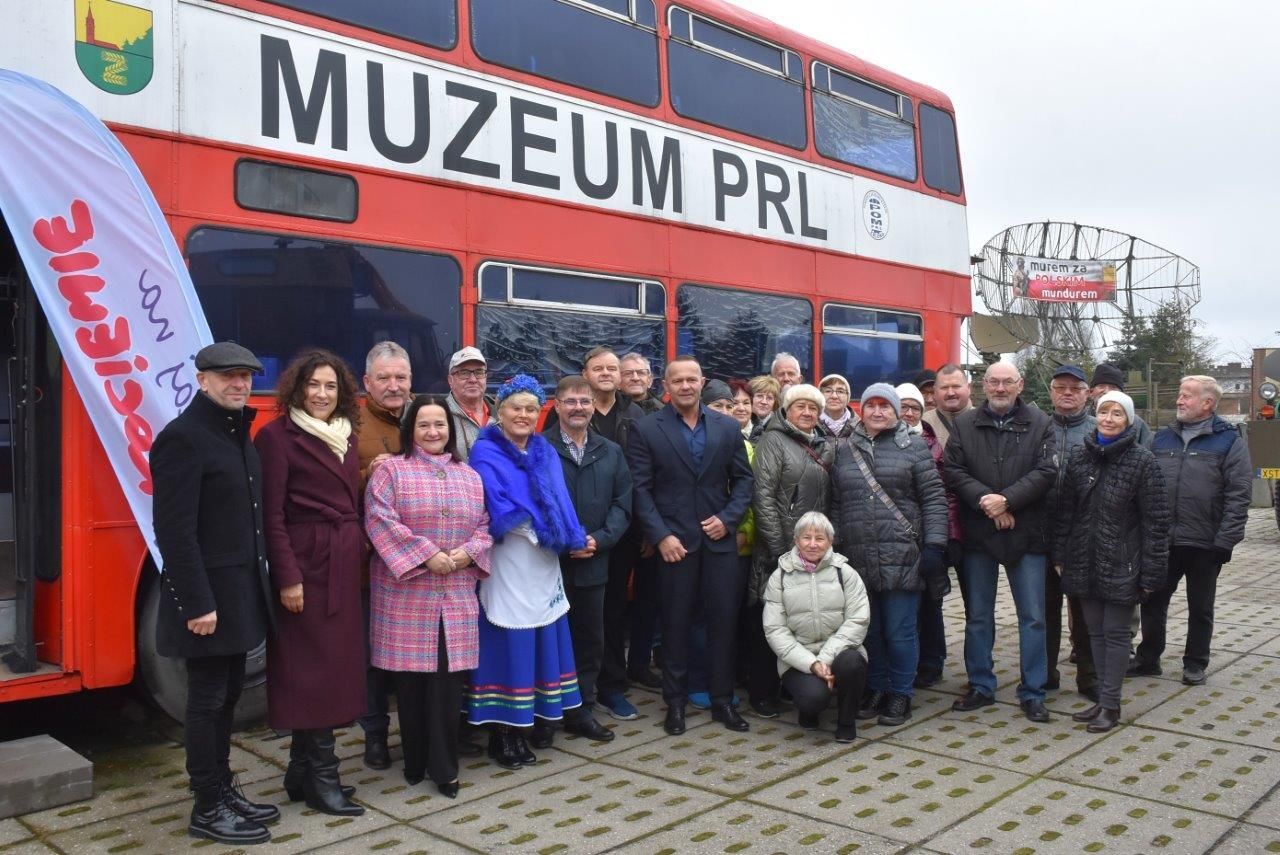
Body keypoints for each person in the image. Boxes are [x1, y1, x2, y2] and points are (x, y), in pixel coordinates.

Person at [152, 342, 278, 845]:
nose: (239, 384)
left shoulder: (235, 435)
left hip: (238, 593)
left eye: (246, 376)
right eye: (227, 376)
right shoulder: (183, 438)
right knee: (206, 701)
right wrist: (197, 602)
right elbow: (174, 531)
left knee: (226, 697)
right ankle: (206, 806)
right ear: (201, 380)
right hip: (208, 600)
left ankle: (223, 788)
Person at [364, 396, 493, 798]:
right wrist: (426, 556)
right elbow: (379, 519)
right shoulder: (391, 471)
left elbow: (486, 525)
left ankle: (445, 767)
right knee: (410, 685)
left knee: (448, 684)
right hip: (407, 594)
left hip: (455, 592)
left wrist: (468, 552)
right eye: (424, 425)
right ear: (410, 430)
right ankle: (414, 760)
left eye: (440, 425)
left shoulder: (469, 475)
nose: (433, 432)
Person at [255, 349, 366, 818]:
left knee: (333, 668)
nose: (321, 395)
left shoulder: (347, 436)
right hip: (306, 565)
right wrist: (288, 577)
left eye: (330, 386)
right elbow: (272, 516)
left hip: (340, 563)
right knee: (310, 671)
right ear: (297, 388)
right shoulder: (276, 438)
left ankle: (301, 772)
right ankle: (324, 777)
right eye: (313, 385)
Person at [465, 375, 587, 767]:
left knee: (541, 635)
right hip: (511, 557)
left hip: (544, 560)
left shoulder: (544, 450)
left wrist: (568, 534)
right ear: (500, 410)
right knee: (509, 641)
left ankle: (535, 720)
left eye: (531, 409)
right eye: (515, 407)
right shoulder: (485, 451)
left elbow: (560, 499)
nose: (523, 415)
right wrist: (536, 530)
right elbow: (493, 502)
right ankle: (504, 733)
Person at [629, 356, 755, 736]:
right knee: (675, 627)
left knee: (722, 624)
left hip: (719, 544)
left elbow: (744, 481)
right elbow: (640, 489)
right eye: (677, 380)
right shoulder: (647, 428)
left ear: (703, 383)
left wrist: (729, 519)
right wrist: (661, 536)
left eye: (691, 380)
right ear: (665, 386)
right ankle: (676, 703)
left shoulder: (727, 427)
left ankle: (722, 702)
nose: (685, 386)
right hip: (674, 545)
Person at [946, 362, 1057, 722]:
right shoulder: (964, 424)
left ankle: (1033, 691)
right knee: (978, 616)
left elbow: (1046, 471)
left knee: (1033, 618)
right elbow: (953, 470)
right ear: (983, 385)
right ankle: (980, 685)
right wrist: (988, 502)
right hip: (980, 533)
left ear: (1020, 384)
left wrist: (1008, 500)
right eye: (993, 381)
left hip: (1027, 532)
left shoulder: (1042, 424)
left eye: (1007, 382)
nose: (1000, 387)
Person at [832, 384, 947, 727]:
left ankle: (901, 693)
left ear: (897, 412)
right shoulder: (843, 450)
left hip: (902, 554)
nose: (878, 411)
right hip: (858, 554)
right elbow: (836, 504)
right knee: (870, 630)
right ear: (862, 410)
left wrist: (935, 546)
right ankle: (877, 687)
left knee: (900, 630)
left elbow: (934, 500)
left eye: (886, 406)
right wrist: (837, 551)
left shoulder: (913, 447)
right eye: (872, 405)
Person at [1054, 392, 1170, 732]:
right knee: (1095, 634)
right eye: (1104, 411)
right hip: (1083, 561)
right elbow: (1065, 512)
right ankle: (1102, 701)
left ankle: (1111, 704)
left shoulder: (1142, 462)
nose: (1109, 418)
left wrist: (1151, 571)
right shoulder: (1080, 457)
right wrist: (1061, 555)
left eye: (1117, 413)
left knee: (1117, 635)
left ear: (1128, 421)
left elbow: (1157, 521)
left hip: (1123, 563)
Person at [543, 347, 648, 719]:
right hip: (551, 559)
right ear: (556, 406)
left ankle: (589, 704)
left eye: (583, 402)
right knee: (553, 636)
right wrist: (564, 540)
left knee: (598, 631)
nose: (578, 407)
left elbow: (625, 500)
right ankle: (550, 708)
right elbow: (537, 502)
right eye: (570, 401)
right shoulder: (541, 448)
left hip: (602, 552)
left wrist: (599, 539)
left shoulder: (614, 447)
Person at [1132, 375, 1253, 685]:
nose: (1179, 400)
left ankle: (1195, 662)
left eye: (1186, 396)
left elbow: (1239, 495)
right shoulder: (1161, 439)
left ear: (1207, 403)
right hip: (1163, 541)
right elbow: (1144, 485)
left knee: (1201, 606)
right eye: (1180, 395)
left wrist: (1226, 540)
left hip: (1205, 542)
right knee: (1153, 602)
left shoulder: (1229, 441)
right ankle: (1148, 658)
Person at [748, 383, 833, 718]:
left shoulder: (824, 445)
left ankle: (790, 686)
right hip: (778, 551)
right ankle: (762, 691)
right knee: (769, 621)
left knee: (798, 621)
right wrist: (783, 550)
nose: (808, 413)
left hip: (811, 550)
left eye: (813, 408)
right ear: (786, 409)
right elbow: (763, 497)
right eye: (800, 406)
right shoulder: (773, 440)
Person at [354, 341, 413, 771]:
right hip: (368, 563)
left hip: (419, 565)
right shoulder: (349, 424)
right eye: (385, 378)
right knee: (372, 656)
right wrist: (366, 473)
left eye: (401, 377)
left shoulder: (424, 418)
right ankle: (374, 736)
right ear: (367, 383)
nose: (394, 386)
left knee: (415, 654)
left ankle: (415, 732)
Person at [763, 512, 870, 742]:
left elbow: (858, 620)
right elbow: (775, 630)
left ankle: (846, 721)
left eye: (819, 538)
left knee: (852, 664)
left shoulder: (845, 573)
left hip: (839, 652)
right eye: (806, 537)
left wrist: (825, 658)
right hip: (799, 658)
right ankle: (808, 710)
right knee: (813, 698)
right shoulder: (780, 577)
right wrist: (811, 664)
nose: (812, 544)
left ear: (830, 541)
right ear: (796, 540)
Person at [896, 383, 960, 690]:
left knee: (930, 602)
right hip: (894, 537)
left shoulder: (932, 442)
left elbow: (944, 495)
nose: (908, 413)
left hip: (927, 537)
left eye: (915, 408)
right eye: (903, 406)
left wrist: (940, 538)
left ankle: (932, 662)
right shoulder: (880, 438)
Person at [1042, 365, 1099, 702]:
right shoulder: (1037, 429)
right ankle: (1045, 674)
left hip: (1084, 537)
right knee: (1045, 611)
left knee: (1085, 613)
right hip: (1043, 534)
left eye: (1075, 388)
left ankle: (1089, 678)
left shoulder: (1098, 431)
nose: (1067, 393)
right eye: (1060, 386)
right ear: (1050, 391)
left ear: (1086, 394)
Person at [445, 347, 493, 461]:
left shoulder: (502, 415)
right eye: (464, 373)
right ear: (450, 380)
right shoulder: (440, 416)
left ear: (485, 377)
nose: (473, 379)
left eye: (479, 372)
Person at [1088, 364, 1153, 447]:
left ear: (1121, 393)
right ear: (1091, 392)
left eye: (1113, 387)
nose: (1107, 391)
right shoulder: (1080, 420)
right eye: (1101, 386)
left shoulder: (1137, 424)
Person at [922, 363, 972, 448]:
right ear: (935, 391)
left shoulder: (985, 421)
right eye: (944, 387)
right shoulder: (923, 423)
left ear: (969, 388)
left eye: (956, 386)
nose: (950, 393)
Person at [817, 373, 858, 439]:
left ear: (848, 396)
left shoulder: (861, 427)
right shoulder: (811, 426)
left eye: (840, 391)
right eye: (828, 391)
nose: (834, 396)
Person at [748, 375, 781, 440]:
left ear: (775, 402)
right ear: (750, 398)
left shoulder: (779, 428)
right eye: (760, 396)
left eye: (769, 398)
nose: (764, 402)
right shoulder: (738, 422)